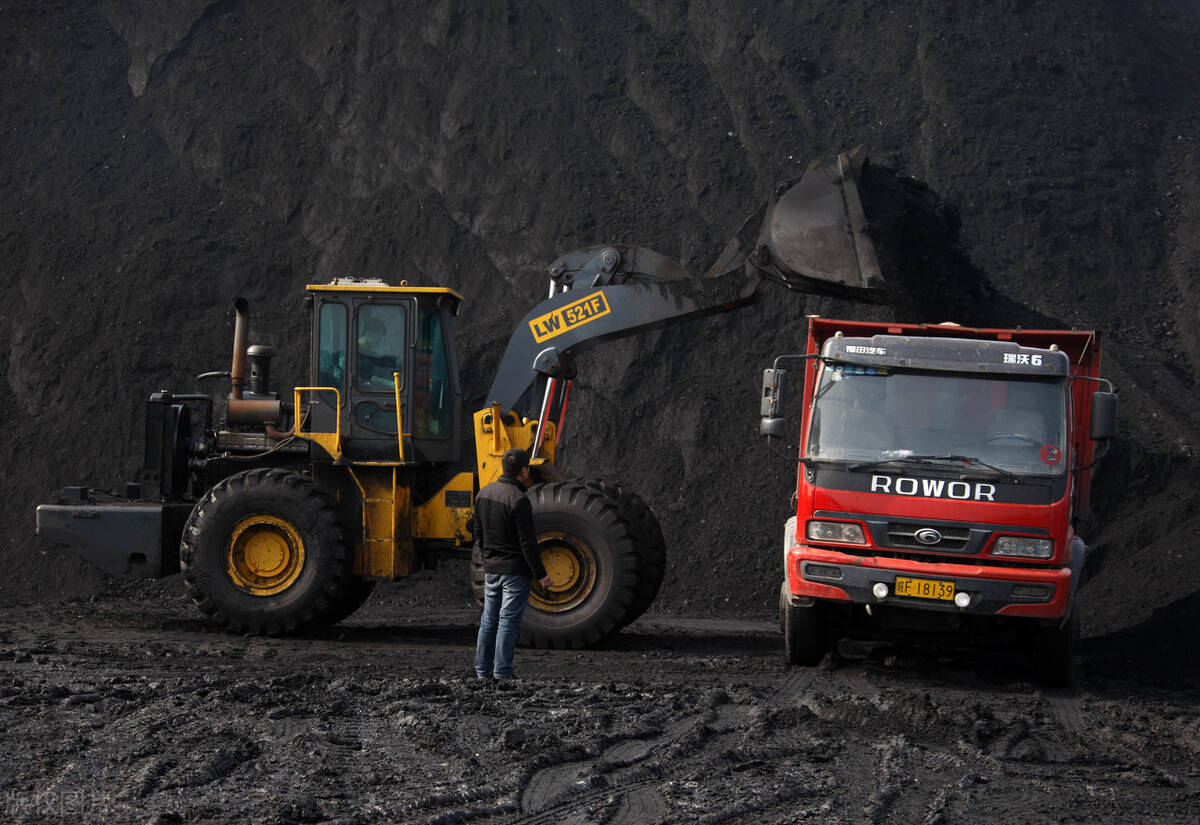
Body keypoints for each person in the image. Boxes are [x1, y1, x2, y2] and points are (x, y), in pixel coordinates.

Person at [473, 448, 553, 681]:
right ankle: (503, 673)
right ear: (524, 471)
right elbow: (528, 543)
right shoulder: (519, 500)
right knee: (507, 621)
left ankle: (482, 671)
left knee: (488, 620)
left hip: (491, 569)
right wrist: (541, 574)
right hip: (515, 572)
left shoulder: (483, 494)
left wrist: (488, 559)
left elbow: (478, 534)